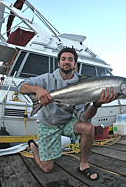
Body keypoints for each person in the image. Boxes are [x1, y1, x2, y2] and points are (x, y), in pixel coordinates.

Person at [18, 47, 116, 180]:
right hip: (48, 125)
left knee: (89, 127)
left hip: (66, 123)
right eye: (63, 59)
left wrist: (96, 104)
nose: (67, 62)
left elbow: (84, 117)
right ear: (58, 63)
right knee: (47, 168)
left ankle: (83, 165)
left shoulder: (82, 83)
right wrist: (37, 89)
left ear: (75, 64)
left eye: (70, 59)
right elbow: (22, 86)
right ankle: (33, 146)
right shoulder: (47, 78)